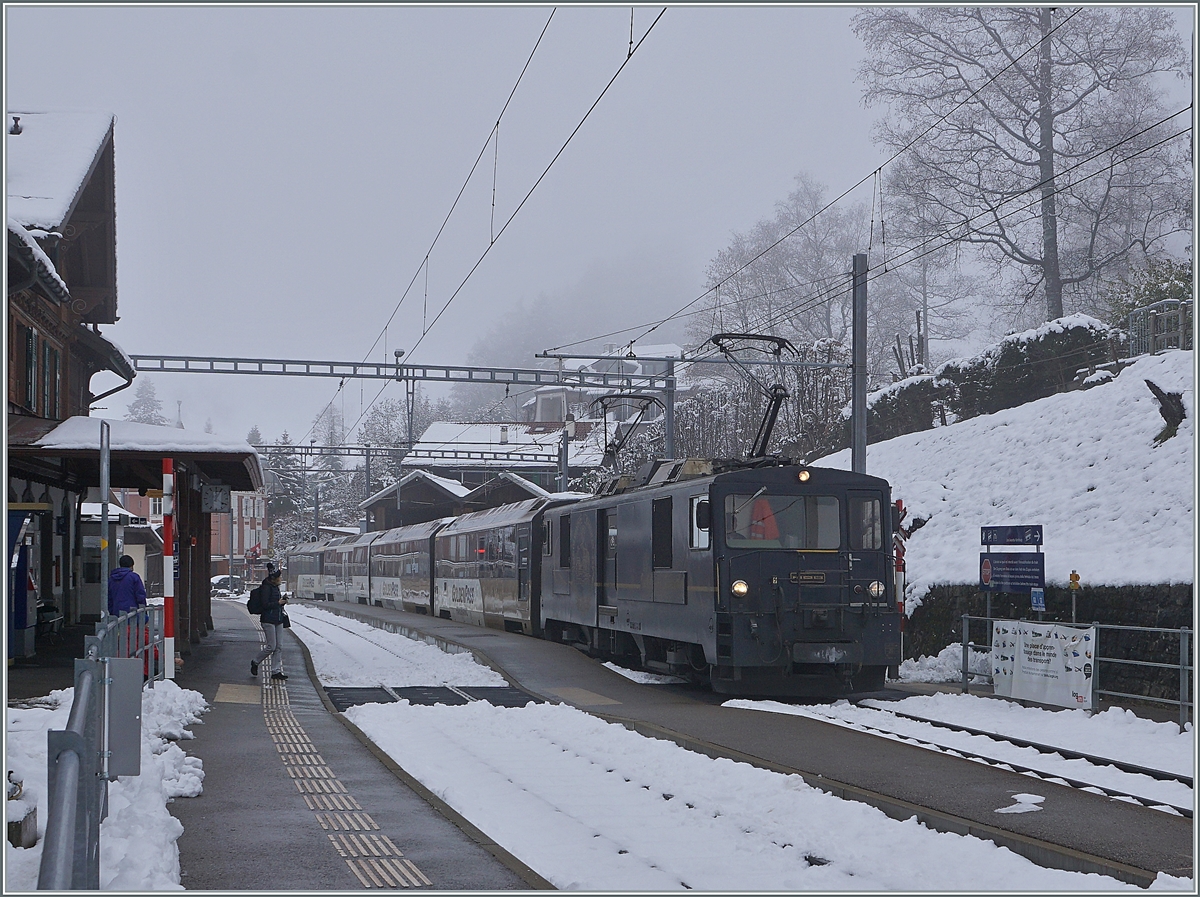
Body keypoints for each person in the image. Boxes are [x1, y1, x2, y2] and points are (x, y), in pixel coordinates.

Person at [251, 567, 288, 681]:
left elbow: (275, 604)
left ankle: (275, 671)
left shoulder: (276, 588)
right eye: (280, 577)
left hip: (278, 619)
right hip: (268, 620)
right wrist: (278, 602)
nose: (281, 578)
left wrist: (282, 602)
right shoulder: (266, 588)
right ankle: (255, 661)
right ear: (275, 578)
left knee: (279, 646)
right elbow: (265, 604)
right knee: (271, 646)